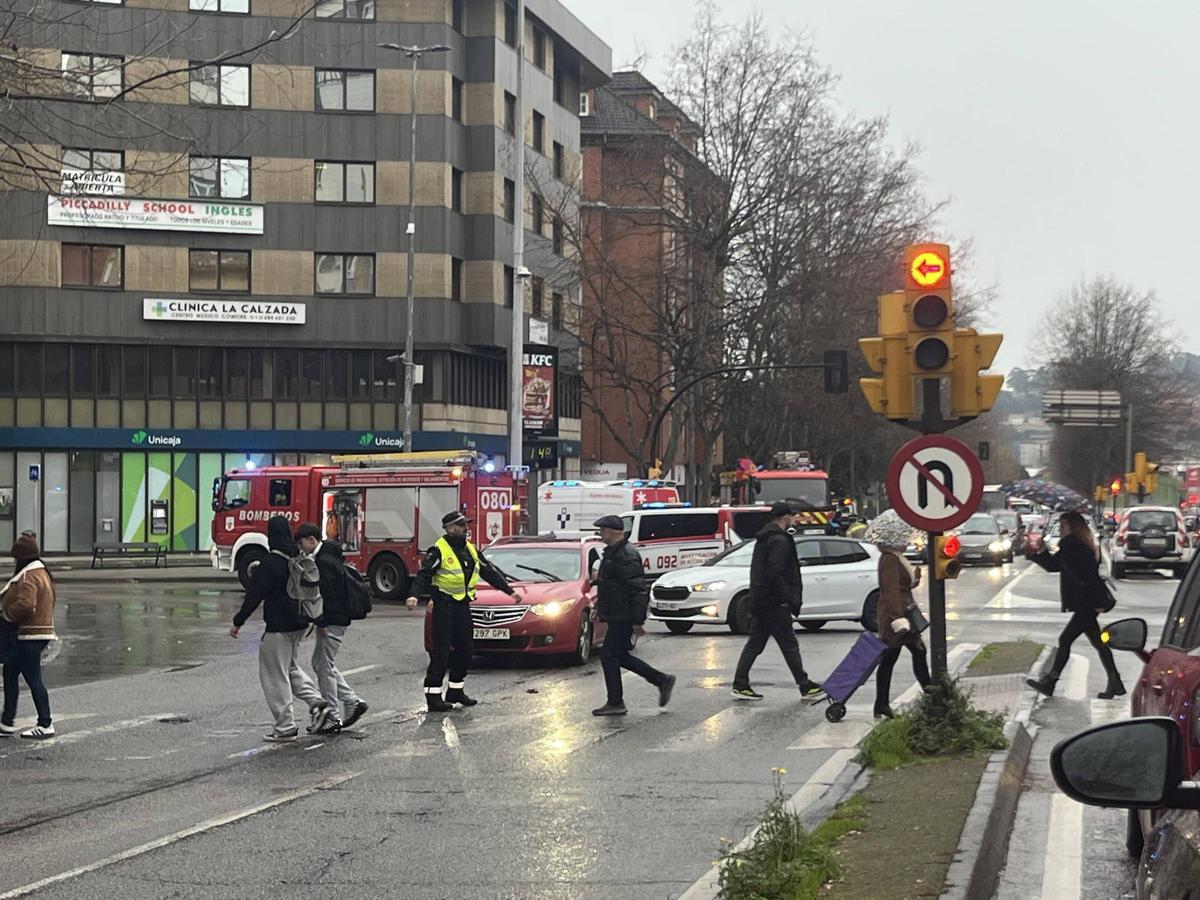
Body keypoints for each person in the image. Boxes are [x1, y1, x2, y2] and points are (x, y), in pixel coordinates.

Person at [230, 516, 334, 742]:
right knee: (290, 668)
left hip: (278, 626)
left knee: (274, 675)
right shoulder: (299, 556)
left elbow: (254, 596)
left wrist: (238, 622)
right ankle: (318, 702)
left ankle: (285, 726)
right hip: (300, 623)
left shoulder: (270, 562)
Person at [406, 511, 517, 711]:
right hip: (443, 607)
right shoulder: (439, 550)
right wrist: (414, 594)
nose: (466, 529)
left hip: (462, 606)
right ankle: (433, 695)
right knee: (441, 653)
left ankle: (456, 690)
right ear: (449, 528)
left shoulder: (471, 550)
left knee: (466, 650)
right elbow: (424, 574)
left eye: (465, 525)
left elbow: (489, 572)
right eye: (460, 525)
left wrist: (509, 591)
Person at [731, 502, 825, 702]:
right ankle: (804, 685)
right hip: (774, 602)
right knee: (789, 644)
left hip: (762, 600)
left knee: (756, 644)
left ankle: (740, 683)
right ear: (785, 518)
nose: (794, 520)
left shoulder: (763, 539)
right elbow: (777, 572)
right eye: (792, 517)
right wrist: (787, 597)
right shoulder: (780, 541)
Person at [1025, 511, 1124, 699]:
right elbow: (1057, 565)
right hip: (1086, 603)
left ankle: (1051, 682)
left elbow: (1078, 572)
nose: (1060, 529)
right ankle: (1115, 681)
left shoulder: (1073, 546)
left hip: (1087, 603)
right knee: (1098, 642)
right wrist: (1040, 552)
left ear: (1071, 526)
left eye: (1063, 526)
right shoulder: (1078, 545)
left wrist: (1038, 552)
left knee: (1065, 640)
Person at [591, 515, 676, 716]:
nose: (600, 534)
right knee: (619, 656)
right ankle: (661, 680)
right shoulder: (613, 552)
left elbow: (637, 590)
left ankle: (616, 702)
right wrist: (599, 608)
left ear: (612, 532)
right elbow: (608, 586)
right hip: (616, 613)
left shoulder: (625, 555)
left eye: (602, 530)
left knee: (609, 655)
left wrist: (638, 621)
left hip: (623, 615)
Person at [296, 523, 368, 733]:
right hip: (337, 619)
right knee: (321, 662)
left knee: (324, 665)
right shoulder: (330, 556)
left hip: (333, 620)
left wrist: (322, 622)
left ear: (311, 539)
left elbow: (328, 596)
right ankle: (352, 702)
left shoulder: (323, 562)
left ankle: (333, 715)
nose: (302, 549)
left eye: (302, 544)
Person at [0, 533, 57, 739]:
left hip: (29, 635)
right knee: (10, 672)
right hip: (36, 634)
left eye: (16, 558)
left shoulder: (29, 576)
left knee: (33, 678)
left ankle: (45, 723)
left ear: (22, 558)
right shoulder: (42, 572)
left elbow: (26, 604)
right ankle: (6, 721)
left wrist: (6, 615)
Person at [873, 535, 932, 719]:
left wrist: (914, 578)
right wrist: (897, 618)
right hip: (897, 616)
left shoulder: (897, 557)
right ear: (892, 541)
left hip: (903, 612)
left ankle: (881, 703)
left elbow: (902, 585)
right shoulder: (890, 559)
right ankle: (932, 697)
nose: (906, 542)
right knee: (904, 655)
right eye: (902, 539)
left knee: (903, 655)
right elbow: (891, 591)